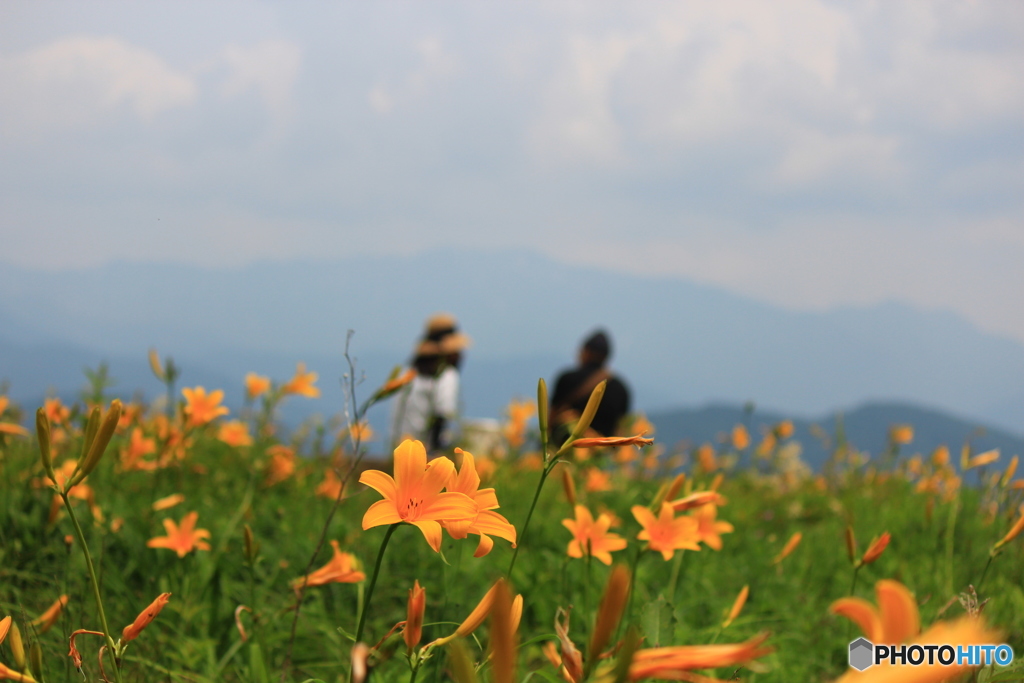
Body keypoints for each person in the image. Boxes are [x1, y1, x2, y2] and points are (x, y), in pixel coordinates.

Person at [390, 313, 471, 451]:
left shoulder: (408, 374)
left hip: (400, 447)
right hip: (425, 449)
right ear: (448, 354)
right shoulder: (447, 376)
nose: (461, 356)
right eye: (456, 351)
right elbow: (442, 415)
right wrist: (434, 451)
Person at [549, 329, 630, 445]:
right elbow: (621, 429)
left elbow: (551, 417)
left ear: (586, 352)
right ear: (606, 357)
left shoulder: (567, 379)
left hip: (565, 450)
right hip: (600, 455)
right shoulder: (621, 389)